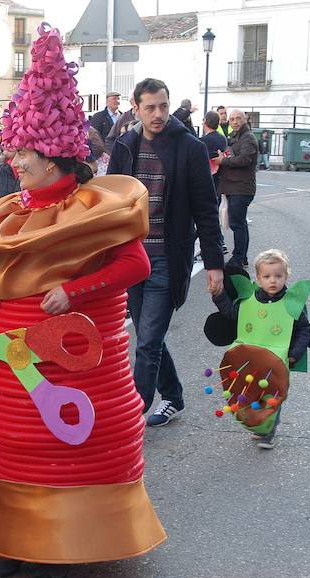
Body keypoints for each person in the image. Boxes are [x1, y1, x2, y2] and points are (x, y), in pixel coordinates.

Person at [0, 26, 167, 578]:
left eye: (23, 149)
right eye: (14, 146)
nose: (13, 158)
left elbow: (136, 266)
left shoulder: (93, 207)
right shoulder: (12, 209)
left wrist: (75, 291)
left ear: (53, 155)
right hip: (15, 356)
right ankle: (16, 535)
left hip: (80, 357)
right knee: (19, 440)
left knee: (71, 443)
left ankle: (65, 540)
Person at [108, 77, 224, 426]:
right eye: (150, 107)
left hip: (166, 258)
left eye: (162, 106)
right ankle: (173, 396)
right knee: (148, 335)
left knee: (146, 342)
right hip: (131, 258)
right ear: (136, 108)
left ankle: (132, 414)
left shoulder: (190, 148)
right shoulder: (124, 146)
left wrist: (215, 264)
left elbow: (206, 208)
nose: (157, 114)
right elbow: (111, 204)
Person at [210, 249, 310, 449]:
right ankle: (259, 424)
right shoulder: (249, 302)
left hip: (278, 359)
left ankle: (268, 431)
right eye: (267, 276)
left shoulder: (291, 303)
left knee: (273, 394)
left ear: (286, 276)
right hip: (251, 360)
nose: (272, 281)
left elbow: (303, 329)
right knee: (250, 392)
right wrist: (218, 295)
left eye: (278, 276)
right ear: (258, 278)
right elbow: (232, 314)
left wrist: (294, 355)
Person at [213, 109, 258, 270]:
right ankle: (241, 256)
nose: (235, 121)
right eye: (232, 119)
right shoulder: (236, 137)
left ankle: (239, 257)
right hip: (234, 187)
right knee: (238, 223)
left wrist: (223, 161)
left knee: (238, 224)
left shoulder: (248, 138)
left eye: (238, 118)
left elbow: (244, 159)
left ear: (244, 119)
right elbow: (231, 155)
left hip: (242, 188)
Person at [200, 111, 228, 256]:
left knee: (205, 215)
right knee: (212, 214)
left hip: (205, 182)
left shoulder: (202, 141)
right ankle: (220, 242)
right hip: (220, 180)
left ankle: (217, 243)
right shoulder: (222, 139)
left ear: (205, 122)